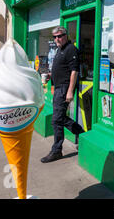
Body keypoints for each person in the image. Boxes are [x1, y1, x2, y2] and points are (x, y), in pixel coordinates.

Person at [41, 26, 85, 163]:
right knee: (60, 118)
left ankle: (56, 151)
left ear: (65, 35)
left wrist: (70, 91)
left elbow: (74, 71)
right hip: (58, 87)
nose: (57, 39)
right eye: (54, 37)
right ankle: (83, 135)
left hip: (65, 88)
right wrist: (50, 75)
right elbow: (61, 69)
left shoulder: (71, 49)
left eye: (59, 36)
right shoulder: (60, 50)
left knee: (56, 120)